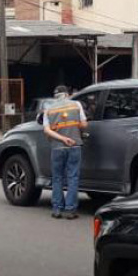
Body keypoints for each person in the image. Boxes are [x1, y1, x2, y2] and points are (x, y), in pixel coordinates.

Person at [42, 85, 88, 219]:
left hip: (57, 147)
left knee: (57, 178)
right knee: (72, 177)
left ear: (55, 96)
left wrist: (62, 138)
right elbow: (84, 125)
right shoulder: (76, 104)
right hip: (74, 145)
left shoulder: (48, 109)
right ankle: (70, 210)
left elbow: (47, 130)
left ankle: (57, 209)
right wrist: (75, 125)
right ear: (67, 94)